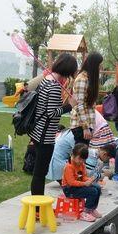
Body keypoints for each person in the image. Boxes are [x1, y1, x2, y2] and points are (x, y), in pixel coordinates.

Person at [29, 53, 78, 198]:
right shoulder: (54, 87)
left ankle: (37, 203)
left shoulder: (46, 80)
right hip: (45, 137)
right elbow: (52, 113)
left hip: (37, 132)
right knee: (40, 173)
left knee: (38, 173)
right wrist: (70, 105)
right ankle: (38, 206)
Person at [62, 143, 102, 222]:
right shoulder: (69, 167)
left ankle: (92, 209)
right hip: (69, 190)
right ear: (73, 155)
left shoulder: (82, 165)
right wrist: (84, 183)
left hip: (78, 186)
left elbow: (83, 177)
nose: (81, 161)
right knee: (92, 191)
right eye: (80, 159)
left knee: (97, 187)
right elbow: (71, 182)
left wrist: (89, 180)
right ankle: (85, 212)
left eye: (83, 160)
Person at [70, 52, 103, 144]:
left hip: (87, 124)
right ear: (94, 65)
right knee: (80, 152)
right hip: (80, 125)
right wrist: (85, 127)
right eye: (99, 64)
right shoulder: (82, 79)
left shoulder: (88, 79)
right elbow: (79, 105)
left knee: (83, 151)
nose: (101, 67)